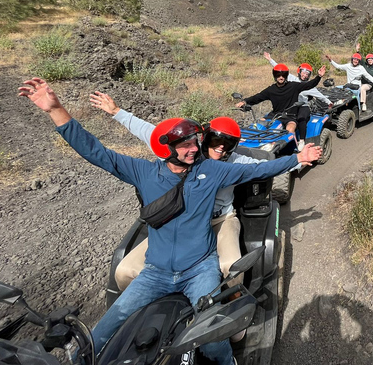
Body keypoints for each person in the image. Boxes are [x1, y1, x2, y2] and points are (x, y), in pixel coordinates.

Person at [19, 77, 322, 365]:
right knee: (97, 338)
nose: (195, 150)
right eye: (188, 145)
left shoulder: (211, 172)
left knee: (214, 339)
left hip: (199, 270)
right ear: (167, 149)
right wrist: (57, 110)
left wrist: (297, 158)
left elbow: (258, 171)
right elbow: (96, 152)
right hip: (155, 273)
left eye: (196, 143)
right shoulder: (145, 172)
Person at [89, 92, 263, 292]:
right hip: (180, 219)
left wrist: (299, 159)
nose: (220, 148)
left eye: (228, 144)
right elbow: (149, 132)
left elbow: (264, 166)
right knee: (124, 270)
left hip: (220, 219)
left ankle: (231, 307)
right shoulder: (186, 152)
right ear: (204, 138)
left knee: (231, 265)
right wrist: (117, 112)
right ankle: (136, 313)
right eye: (215, 141)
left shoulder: (236, 162)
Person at [235, 63, 326, 150]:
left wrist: (319, 77)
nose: (281, 77)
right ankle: (249, 145)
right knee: (258, 124)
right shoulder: (271, 89)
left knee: (290, 129)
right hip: (275, 115)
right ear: (275, 76)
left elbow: (308, 85)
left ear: (286, 76)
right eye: (278, 75)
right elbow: (258, 97)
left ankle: (294, 151)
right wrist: (245, 101)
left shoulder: (293, 86)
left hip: (290, 116)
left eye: (283, 75)